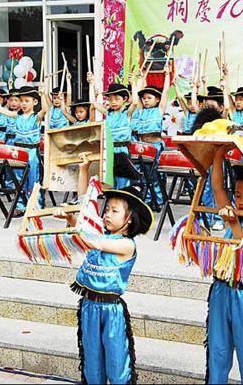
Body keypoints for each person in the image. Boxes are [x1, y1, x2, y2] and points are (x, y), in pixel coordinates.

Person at [54, 152, 153, 384]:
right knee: (92, 366)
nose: (107, 214)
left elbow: (90, 238)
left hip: (111, 313)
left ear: (129, 219)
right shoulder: (100, 233)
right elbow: (85, 205)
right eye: (106, 209)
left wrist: (76, 223)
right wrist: (84, 169)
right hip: (89, 307)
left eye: (114, 211)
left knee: (118, 368)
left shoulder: (125, 245)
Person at [205, 145, 243, 384]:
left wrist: (233, 223)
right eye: (238, 196)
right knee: (217, 352)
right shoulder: (231, 211)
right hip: (220, 290)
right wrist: (218, 155)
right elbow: (217, 187)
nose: (241, 201)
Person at [0, 84, 49, 216]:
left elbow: (45, 109)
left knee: (32, 179)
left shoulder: (36, 117)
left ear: (34, 102)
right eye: (22, 101)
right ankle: (20, 205)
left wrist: (43, 93)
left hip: (32, 152)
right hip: (18, 151)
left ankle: (35, 204)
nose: (23, 104)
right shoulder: (17, 116)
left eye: (27, 101)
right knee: (18, 178)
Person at [132, 63, 171, 209]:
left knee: (155, 174)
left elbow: (166, 92)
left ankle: (158, 199)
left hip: (155, 145)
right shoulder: (141, 109)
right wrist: (139, 80)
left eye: (149, 97)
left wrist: (167, 75)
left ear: (157, 99)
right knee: (143, 174)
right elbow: (136, 97)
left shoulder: (159, 110)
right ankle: (147, 199)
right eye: (144, 98)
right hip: (142, 145)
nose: (146, 100)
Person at [89, 74, 136, 189]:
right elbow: (93, 103)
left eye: (116, 99)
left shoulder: (127, 113)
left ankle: (123, 203)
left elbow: (134, 102)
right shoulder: (107, 113)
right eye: (110, 99)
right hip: (109, 150)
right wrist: (91, 84)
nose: (113, 102)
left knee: (123, 181)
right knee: (111, 180)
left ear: (124, 99)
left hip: (123, 150)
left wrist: (133, 83)